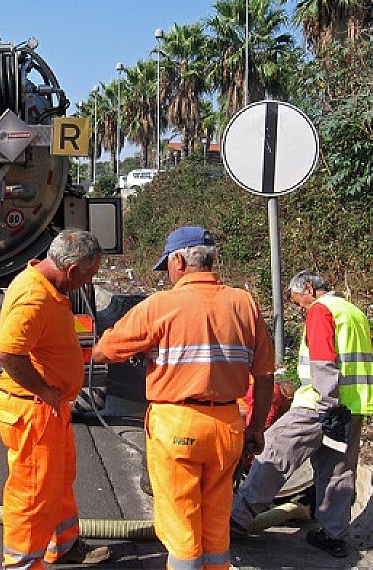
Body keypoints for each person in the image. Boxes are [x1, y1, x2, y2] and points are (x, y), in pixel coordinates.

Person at [92, 226, 275, 569]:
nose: (168, 275)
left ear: (179, 259)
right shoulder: (244, 303)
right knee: (217, 521)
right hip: (228, 425)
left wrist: (143, 350)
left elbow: (105, 351)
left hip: (177, 424)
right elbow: (264, 376)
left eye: (168, 267)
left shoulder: (161, 304)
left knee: (181, 525)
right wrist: (257, 428)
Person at [231, 271, 373, 559]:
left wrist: (327, 406)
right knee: (337, 470)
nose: (300, 309)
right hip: (355, 406)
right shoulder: (353, 311)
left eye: (299, 302)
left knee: (274, 450)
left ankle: (237, 518)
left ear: (309, 289)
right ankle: (333, 534)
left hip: (321, 404)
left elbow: (323, 361)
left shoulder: (321, 310)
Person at [0, 229, 111, 568]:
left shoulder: (44, 285)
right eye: (88, 276)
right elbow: (7, 352)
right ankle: (23, 563)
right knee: (32, 494)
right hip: (35, 412)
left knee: (56, 480)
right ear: (72, 270)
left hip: (48, 411)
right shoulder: (35, 297)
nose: (87, 283)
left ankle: (64, 544)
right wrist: (45, 392)